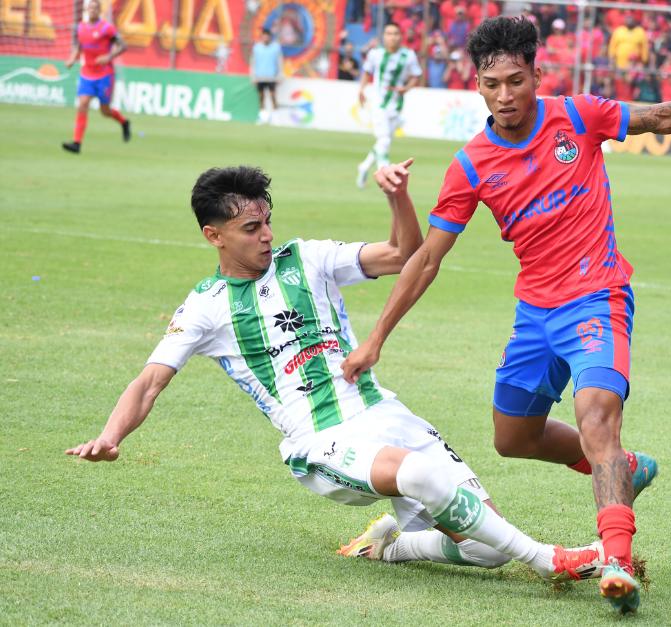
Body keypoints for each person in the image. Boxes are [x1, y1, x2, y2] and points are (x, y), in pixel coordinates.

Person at [341, 16, 671, 615]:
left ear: (536, 74)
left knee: (597, 417)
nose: (505, 96)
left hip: (597, 295)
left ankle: (617, 562)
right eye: (492, 83)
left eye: (516, 81)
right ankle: (625, 470)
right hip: (535, 313)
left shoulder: (577, 116)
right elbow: (426, 260)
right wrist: (375, 339)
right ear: (477, 84)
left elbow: (660, 117)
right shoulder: (471, 165)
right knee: (513, 438)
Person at [64, 161, 606, 585]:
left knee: (485, 550)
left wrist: (397, 197)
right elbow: (149, 381)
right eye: (251, 228)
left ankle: (392, 545)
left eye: (268, 221)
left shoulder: (309, 258)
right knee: (421, 476)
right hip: (321, 439)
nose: (267, 236)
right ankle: (548, 559)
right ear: (215, 236)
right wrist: (110, 437)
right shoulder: (206, 306)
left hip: (383, 413)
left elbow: (402, 253)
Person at [356, 23, 423, 189]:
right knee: (384, 139)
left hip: (396, 104)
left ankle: (364, 166)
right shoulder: (375, 54)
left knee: (384, 141)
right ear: (383, 36)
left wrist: (405, 88)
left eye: (395, 33)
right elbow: (367, 72)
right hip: (378, 102)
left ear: (401, 36)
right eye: (388, 33)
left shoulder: (408, 55)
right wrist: (362, 89)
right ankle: (384, 175)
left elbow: (416, 76)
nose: (392, 37)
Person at [61, 0, 130, 154]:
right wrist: (72, 58)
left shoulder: (107, 28)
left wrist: (109, 56)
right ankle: (77, 143)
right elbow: (78, 46)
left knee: (104, 111)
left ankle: (124, 122)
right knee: (83, 103)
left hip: (104, 74)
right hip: (87, 73)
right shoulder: (80, 28)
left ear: (99, 11)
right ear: (86, 9)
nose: (92, 10)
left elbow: (123, 45)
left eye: (95, 8)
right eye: (89, 8)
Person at [250, 28, 284, 124]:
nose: (265, 38)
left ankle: (276, 117)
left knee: (273, 96)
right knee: (261, 97)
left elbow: (279, 62)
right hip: (260, 77)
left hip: (271, 77)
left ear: (270, 37)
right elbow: (253, 62)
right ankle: (262, 117)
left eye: (267, 36)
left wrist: (280, 75)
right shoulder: (257, 48)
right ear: (262, 37)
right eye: (264, 36)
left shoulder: (276, 47)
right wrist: (253, 76)